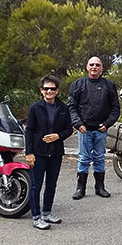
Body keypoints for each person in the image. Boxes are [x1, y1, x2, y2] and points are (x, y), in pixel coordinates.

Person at [68, 56, 120, 200]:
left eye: (97, 65)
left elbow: (115, 108)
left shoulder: (109, 85)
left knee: (99, 158)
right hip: (84, 129)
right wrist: (78, 124)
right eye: (92, 64)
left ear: (102, 68)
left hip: (101, 129)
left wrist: (107, 124)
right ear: (87, 66)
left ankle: (100, 187)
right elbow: (71, 107)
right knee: (84, 158)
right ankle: (80, 188)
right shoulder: (77, 85)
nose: (94, 67)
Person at [25, 75, 73, 230]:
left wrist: (57, 136)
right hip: (38, 153)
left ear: (57, 91)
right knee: (36, 185)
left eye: (52, 88)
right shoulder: (35, 108)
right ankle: (36, 217)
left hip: (56, 152)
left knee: (51, 184)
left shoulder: (63, 108)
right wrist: (29, 153)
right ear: (41, 90)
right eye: (46, 88)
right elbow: (29, 131)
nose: (49, 91)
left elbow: (69, 129)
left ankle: (47, 212)